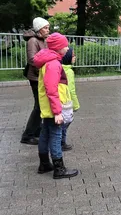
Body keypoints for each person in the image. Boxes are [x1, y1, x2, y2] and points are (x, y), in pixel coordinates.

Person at [33, 33, 78, 179]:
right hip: (53, 108)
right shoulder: (53, 64)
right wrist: (58, 112)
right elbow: (51, 89)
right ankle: (59, 169)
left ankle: (44, 164)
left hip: (47, 107)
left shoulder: (48, 61)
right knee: (56, 136)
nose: (67, 48)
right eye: (65, 46)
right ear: (58, 48)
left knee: (45, 133)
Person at [20, 17, 50, 145]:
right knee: (39, 106)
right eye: (45, 28)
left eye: (48, 27)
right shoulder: (33, 41)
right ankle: (27, 135)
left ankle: (37, 129)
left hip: (41, 76)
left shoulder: (42, 40)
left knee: (41, 105)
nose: (48, 30)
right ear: (39, 29)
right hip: (36, 77)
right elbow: (32, 60)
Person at [61, 48, 80, 151]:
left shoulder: (60, 67)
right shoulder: (69, 71)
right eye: (73, 55)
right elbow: (71, 90)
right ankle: (61, 142)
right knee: (66, 121)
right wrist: (76, 105)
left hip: (59, 100)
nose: (75, 57)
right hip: (66, 101)